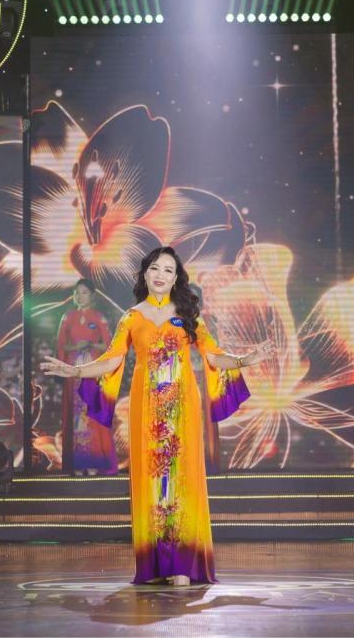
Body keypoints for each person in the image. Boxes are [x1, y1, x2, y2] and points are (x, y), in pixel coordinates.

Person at [41, 246, 272, 585]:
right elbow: (111, 361)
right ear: (145, 275)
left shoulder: (188, 315)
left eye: (168, 270)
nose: (160, 275)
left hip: (182, 406)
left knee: (180, 477)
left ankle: (182, 563)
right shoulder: (131, 317)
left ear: (176, 278)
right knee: (152, 479)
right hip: (146, 408)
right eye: (154, 268)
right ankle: (156, 564)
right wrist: (75, 371)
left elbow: (214, 356)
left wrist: (244, 360)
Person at [55, 278, 118, 475]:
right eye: (77, 293)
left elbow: (111, 346)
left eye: (84, 292)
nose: (79, 296)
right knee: (75, 415)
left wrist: (90, 345)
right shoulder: (67, 317)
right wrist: (75, 348)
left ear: (92, 295)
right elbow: (61, 345)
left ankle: (94, 461)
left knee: (90, 415)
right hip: (73, 372)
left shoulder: (100, 318)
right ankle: (77, 463)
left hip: (93, 372)